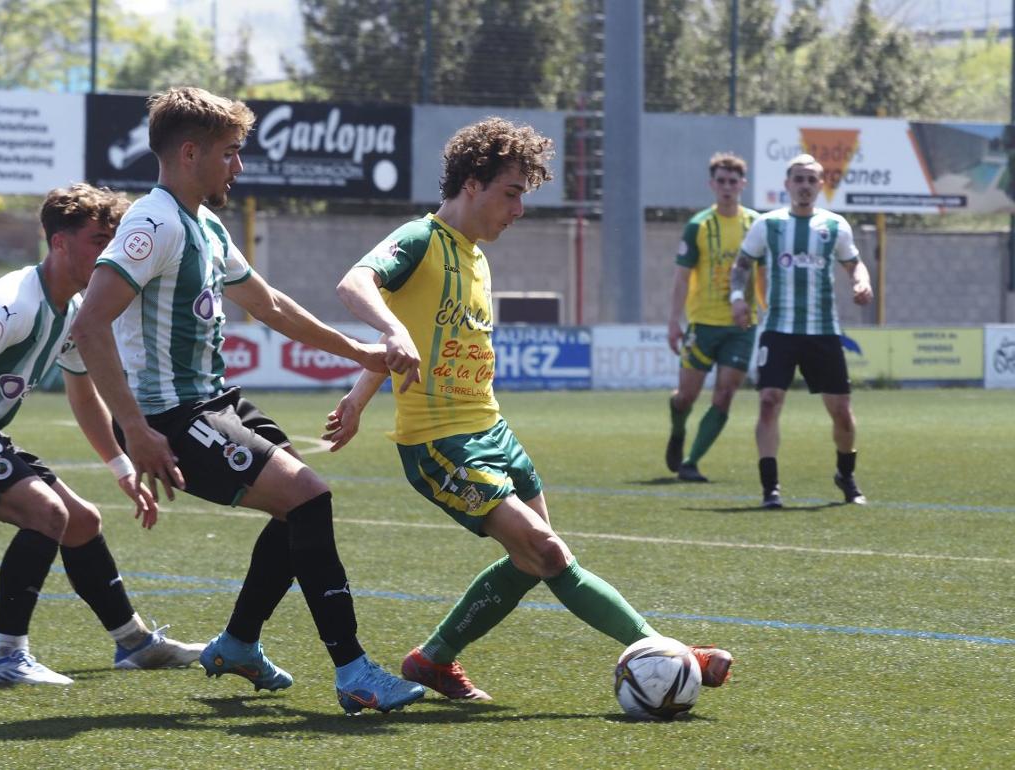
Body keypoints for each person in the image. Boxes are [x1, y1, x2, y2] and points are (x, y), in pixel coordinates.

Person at [325, 117, 733, 701]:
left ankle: (433, 659)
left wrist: (359, 395)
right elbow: (355, 283)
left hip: (493, 430)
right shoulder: (421, 239)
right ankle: (667, 649)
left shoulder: (476, 257)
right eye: (511, 194)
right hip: (441, 442)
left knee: (531, 558)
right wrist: (384, 344)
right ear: (472, 182)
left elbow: (409, 337)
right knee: (547, 551)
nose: (518, 210)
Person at [69, 86, 425, 715]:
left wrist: (362, 353)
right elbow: (90, 325)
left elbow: (271, 305)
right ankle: (353, 670)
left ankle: (237, 644)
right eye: (231, 153)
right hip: (171, 417)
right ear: (189, 153)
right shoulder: (152, 224)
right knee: (309, 497)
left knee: (297, 510)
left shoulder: (203, 223)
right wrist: (138, 429)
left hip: (215, 402)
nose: (239, 166)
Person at [0, 183, 204, 685]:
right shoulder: (17, 303)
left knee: (81, 521)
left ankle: (135, 644)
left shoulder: (74, 312)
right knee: (47, 514)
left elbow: (83, 394)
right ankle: (6, 656)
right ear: (59, 243)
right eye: (99, 239)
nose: (109, 252)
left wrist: (120, 468)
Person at [729, 153, 873, 509]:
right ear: (787, 184)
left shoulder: (835, 226)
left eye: (812, 179)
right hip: (779, 330)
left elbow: (855, 265)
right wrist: (737, 298)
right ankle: (770, 488)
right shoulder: (768, 224)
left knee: (840, 411)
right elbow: (742, 264)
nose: (805, 185)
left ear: (821, 185)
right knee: (768, 402)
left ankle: (846, 474)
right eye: (799, 179)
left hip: (822, 332)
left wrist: (861, 283)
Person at [665, 152, 760, 483]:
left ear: (742, 185)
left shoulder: (755, 225)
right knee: (685, 397)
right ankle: (678, 431)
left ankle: (691, 462)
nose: (727, 187)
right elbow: (681, 277)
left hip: (742, 326)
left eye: (733, 181)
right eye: (721, 181)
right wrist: (673, 321)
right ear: (712, 184)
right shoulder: (699, 226)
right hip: (702, 324)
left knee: (724, 395)